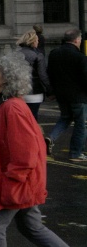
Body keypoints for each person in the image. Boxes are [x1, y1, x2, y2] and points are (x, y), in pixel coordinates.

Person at [0, 54, 79, 247]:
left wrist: (13, 180)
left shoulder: (12, 108)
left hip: (15, 183)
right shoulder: (4, 102)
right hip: (19, 182)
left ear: (7, 78)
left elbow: (26, 152)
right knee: (31, 227)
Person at [45, 29, 87, 162]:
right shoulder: (80, 57)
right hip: (78, 96)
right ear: (76, 40)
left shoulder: (54, 54)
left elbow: (49, 74)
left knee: (65, 118)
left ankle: (51, 138)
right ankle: (76, 152)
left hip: (61, 94)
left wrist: (51, 91)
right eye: (80, 39)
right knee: (81, 123)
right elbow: (85, 78)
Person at [16, 30, 51, 121]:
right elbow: (43, 75)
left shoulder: (15, 54)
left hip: (17, 90)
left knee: (20, 118)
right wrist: (50, 90)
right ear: (32, 41)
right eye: (37, 40)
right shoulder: (38, 55)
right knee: (33, 118)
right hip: (34, 91)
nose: (38, 42)